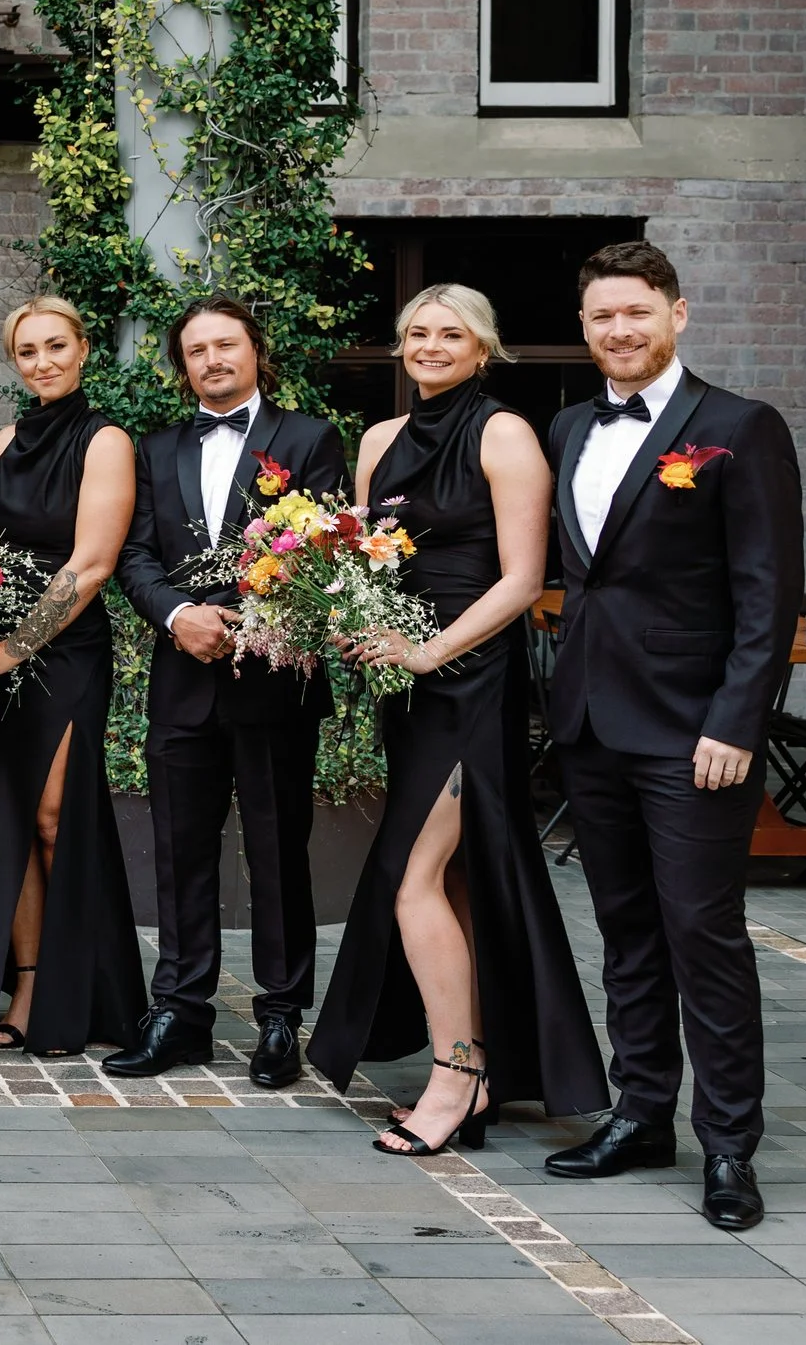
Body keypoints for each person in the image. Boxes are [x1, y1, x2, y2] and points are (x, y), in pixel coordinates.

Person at [535, 242, 801, 1233]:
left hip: (696, 734)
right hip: (593, 722)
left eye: (637, 312)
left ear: (676, 315)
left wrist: (737, 718)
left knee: (705, 935)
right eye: (602, 315)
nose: (619, 330)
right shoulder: (566, 425)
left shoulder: (738, 427)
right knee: (626, 934)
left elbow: (764, 592)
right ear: (586, 327)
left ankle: (728, 1144)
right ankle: (640, 1110)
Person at [308, 284, 607, 1153]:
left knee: (411, 878)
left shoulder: (505, 432)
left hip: (470, 681)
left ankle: (458, 1071)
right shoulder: (378, 441)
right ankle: (483, 1072)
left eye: (450, 333)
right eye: (415, 334)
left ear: (484, 347)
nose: (430, 346)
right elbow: (363, 562)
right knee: (460, 878)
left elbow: (522, 579)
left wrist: (433, 651)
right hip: (405, 687)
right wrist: (350, 622)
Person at [109, 296, 346, 1086]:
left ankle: (281, 1018)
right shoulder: (156, 448)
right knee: (179, 851)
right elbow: (135, 556)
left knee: (279, 851)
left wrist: (245, 626)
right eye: (197, 350)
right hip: (182, 682)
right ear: (182, 366)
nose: (212, 359)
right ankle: (180, 1009)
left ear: (255, 351)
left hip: (273, 682)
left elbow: (324, 555)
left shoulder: (308, 439)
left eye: (226, 344)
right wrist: (179, 615)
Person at [0, 298, 146, 1054]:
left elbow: (92, 564)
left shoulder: (107, 440)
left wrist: (15, 648)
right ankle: (26, 983)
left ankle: (75, 991)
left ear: (84, 349)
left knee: (56, 820)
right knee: (12, 822)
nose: (43, 361)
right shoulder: (3, 440)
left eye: (57, 345)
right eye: (28, 351)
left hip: (63, 654)